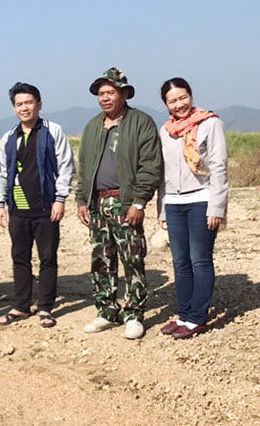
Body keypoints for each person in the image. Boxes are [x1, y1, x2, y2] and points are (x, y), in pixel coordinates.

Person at [75, 67, 162, 339]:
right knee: (101, 259)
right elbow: (84, 166)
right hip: (97, 203)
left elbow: (150, 166)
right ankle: (106, 310)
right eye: (101, 93)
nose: (105, 98)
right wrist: (81, 199)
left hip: (124, 203)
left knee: (132, 258)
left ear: (124, 94)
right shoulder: (93, 126)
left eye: (110, 92)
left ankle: (134, 314)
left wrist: (139, 202)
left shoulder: (141, 123)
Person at [0, 83, 76, 328]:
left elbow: (66, 166)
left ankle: (45, 307)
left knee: (47, 258)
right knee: (19, 257)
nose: (24, 108)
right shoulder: (10, 137)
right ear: (14, 108)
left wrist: (60, 199)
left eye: (29, 102)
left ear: (39, 105)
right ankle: (21, 305)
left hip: (46, 207)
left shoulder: (52, 131)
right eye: (19, 104)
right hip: (18, 208)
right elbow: (3, 173)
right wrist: (1, 204)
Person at [156, 78, 228, 339]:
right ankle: (184, 315)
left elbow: (219, 167)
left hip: (201, 199)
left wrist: (216, 207)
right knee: (180, 262)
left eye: (183, 97)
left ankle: (197, 317)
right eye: (172, 101)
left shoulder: (210, 123)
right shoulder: (166, 131)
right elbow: (163, 173)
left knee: (200, 260)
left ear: (191, 95)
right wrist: (162, 209)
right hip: (174, 203)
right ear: (166, 104)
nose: (179, 104)